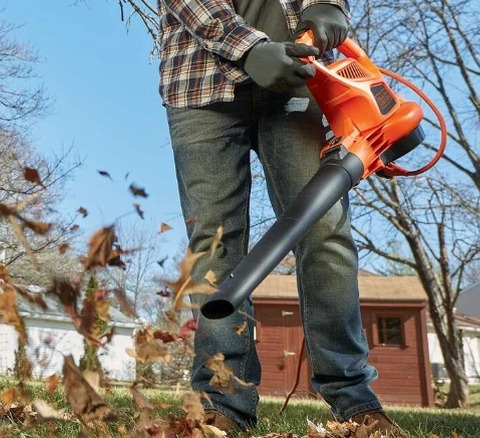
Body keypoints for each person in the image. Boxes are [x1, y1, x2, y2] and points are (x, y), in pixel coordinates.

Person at [157, 0, 402, 435]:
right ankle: (222, 401)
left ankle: (353, 398)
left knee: (325, 231)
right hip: (200, 83)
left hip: (301, 75)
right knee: (214, 243)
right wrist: (248, 49)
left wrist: (327, 5)